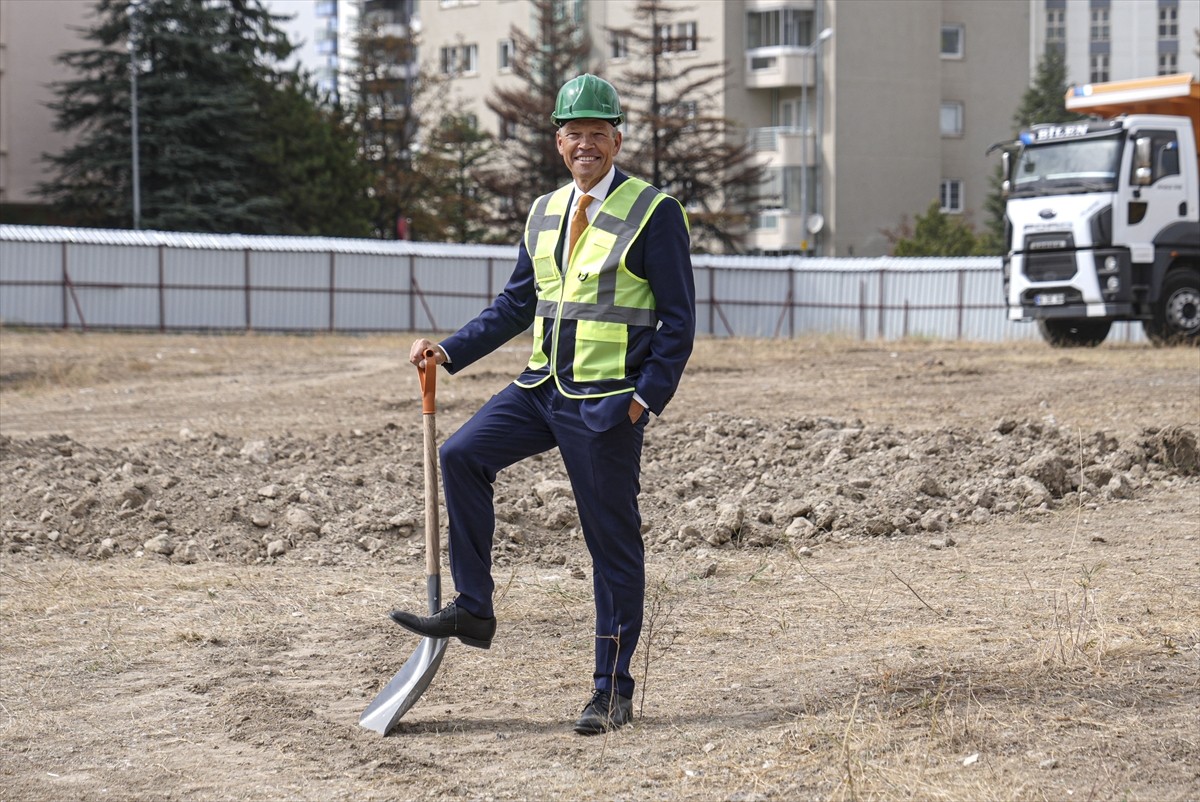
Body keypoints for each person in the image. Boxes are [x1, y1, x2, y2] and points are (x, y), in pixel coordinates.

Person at [391, 74, 695, 735]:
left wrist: (645, 400)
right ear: (558, 142)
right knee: (462, 455)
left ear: (617, 138)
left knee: (610, 547)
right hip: (541, 390)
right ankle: (474, 606)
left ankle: (611, 691)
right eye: (574, 134)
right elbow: (517, 303)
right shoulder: (547, 210)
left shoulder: (654, 211)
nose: (586, 145)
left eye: (597, 133)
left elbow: (677, 321)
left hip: (608, 405)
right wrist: (450, 350)